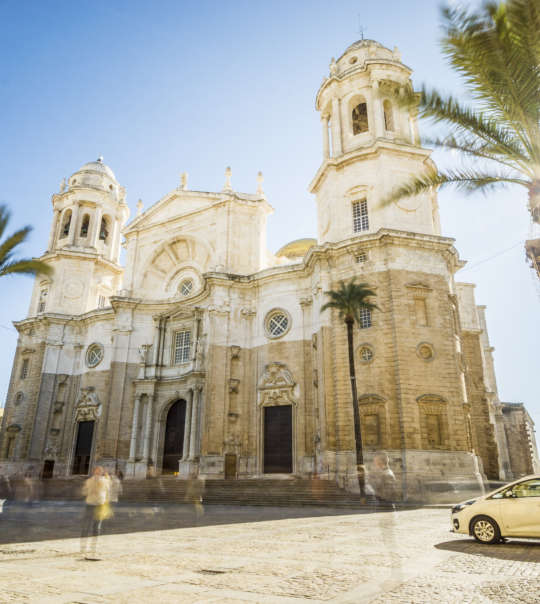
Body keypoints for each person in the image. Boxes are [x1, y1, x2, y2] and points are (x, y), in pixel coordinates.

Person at [80, 466, 111, 559]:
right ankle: (83, 547)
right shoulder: (89, 481)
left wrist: (105, 502)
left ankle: (94, 546)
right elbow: (84, 491)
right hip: (90, 504)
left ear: (101, 472)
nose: (98, 472)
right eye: (96, 471)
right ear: (94, 472)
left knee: (97, 527)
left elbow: (108, 492)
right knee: (86, 526)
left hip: (100, 505)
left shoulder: (105, 481)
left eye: (99, 471)